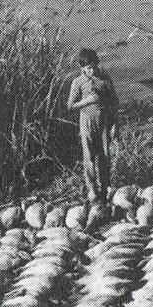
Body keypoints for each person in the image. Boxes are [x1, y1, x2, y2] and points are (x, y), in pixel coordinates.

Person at [66, 48, 118, 204]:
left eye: (95, 66)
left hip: (103, 119)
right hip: (87, 120)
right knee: (89, 155)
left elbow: (114, 102)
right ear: (82, 68)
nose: (93, 70)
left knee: (104, 154)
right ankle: (91, 188)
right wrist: (86, 101)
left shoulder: (104, 78)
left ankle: (105, 186)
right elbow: (70, 105)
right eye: (89, 68)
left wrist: (114, 124)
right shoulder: (77, 82)